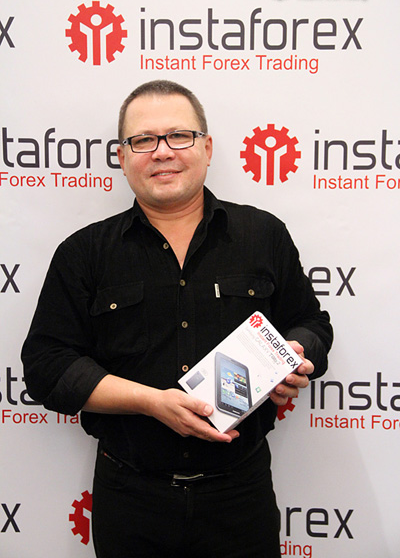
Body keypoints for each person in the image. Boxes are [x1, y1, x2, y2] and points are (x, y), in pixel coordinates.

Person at [22, 80, 333, 558]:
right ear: (122, 156)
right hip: (130, 499)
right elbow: (46, 367)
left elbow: (311, 324)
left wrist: (295, 354)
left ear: (206, 148)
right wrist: (151, 403)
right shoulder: (83, 253)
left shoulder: (263, 235)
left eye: (179, 136)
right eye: (143, 140)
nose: (162, 151)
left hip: (240, 495)